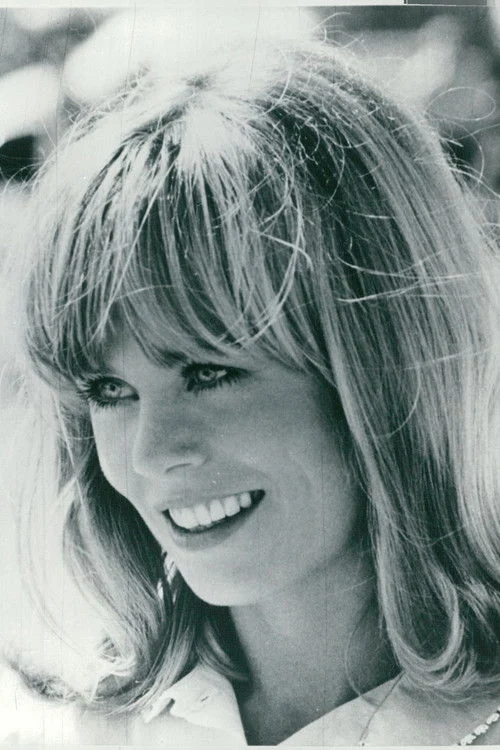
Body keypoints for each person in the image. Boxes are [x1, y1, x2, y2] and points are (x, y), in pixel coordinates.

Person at [3, 28, 500, 746]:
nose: (150, 452)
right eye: (109, 390)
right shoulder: (69, 731)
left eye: (208, 373)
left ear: (384, 366)